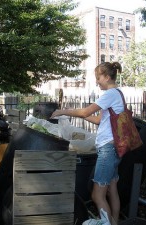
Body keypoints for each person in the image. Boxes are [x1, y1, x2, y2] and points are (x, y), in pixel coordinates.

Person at [51, 62, 123, 225]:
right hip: (115, 147)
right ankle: (114, 222)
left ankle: (108, 223)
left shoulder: (110, 94)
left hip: (108, 149)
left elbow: (85, 111)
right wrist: (78, 116)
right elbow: (98, 119)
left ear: (106, 77)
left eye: (98, 78)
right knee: (112, 190)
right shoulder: (117, 94)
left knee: (97, 195)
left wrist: (63, 111)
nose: (97, 82)